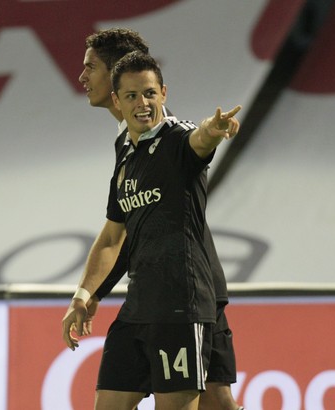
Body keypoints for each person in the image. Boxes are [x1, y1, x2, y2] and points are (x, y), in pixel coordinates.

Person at [65, 28, 244, 410]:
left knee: (213, 399)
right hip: (152, 295)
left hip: (188, 293)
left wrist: (211, 132)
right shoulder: (126, 142)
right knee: (218, 400)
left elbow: (198, 142)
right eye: (132, 95)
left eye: (90, 67)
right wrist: (87, 292)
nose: (82, 77)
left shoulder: (173, 137)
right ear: (119, 95)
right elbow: (122, 229)